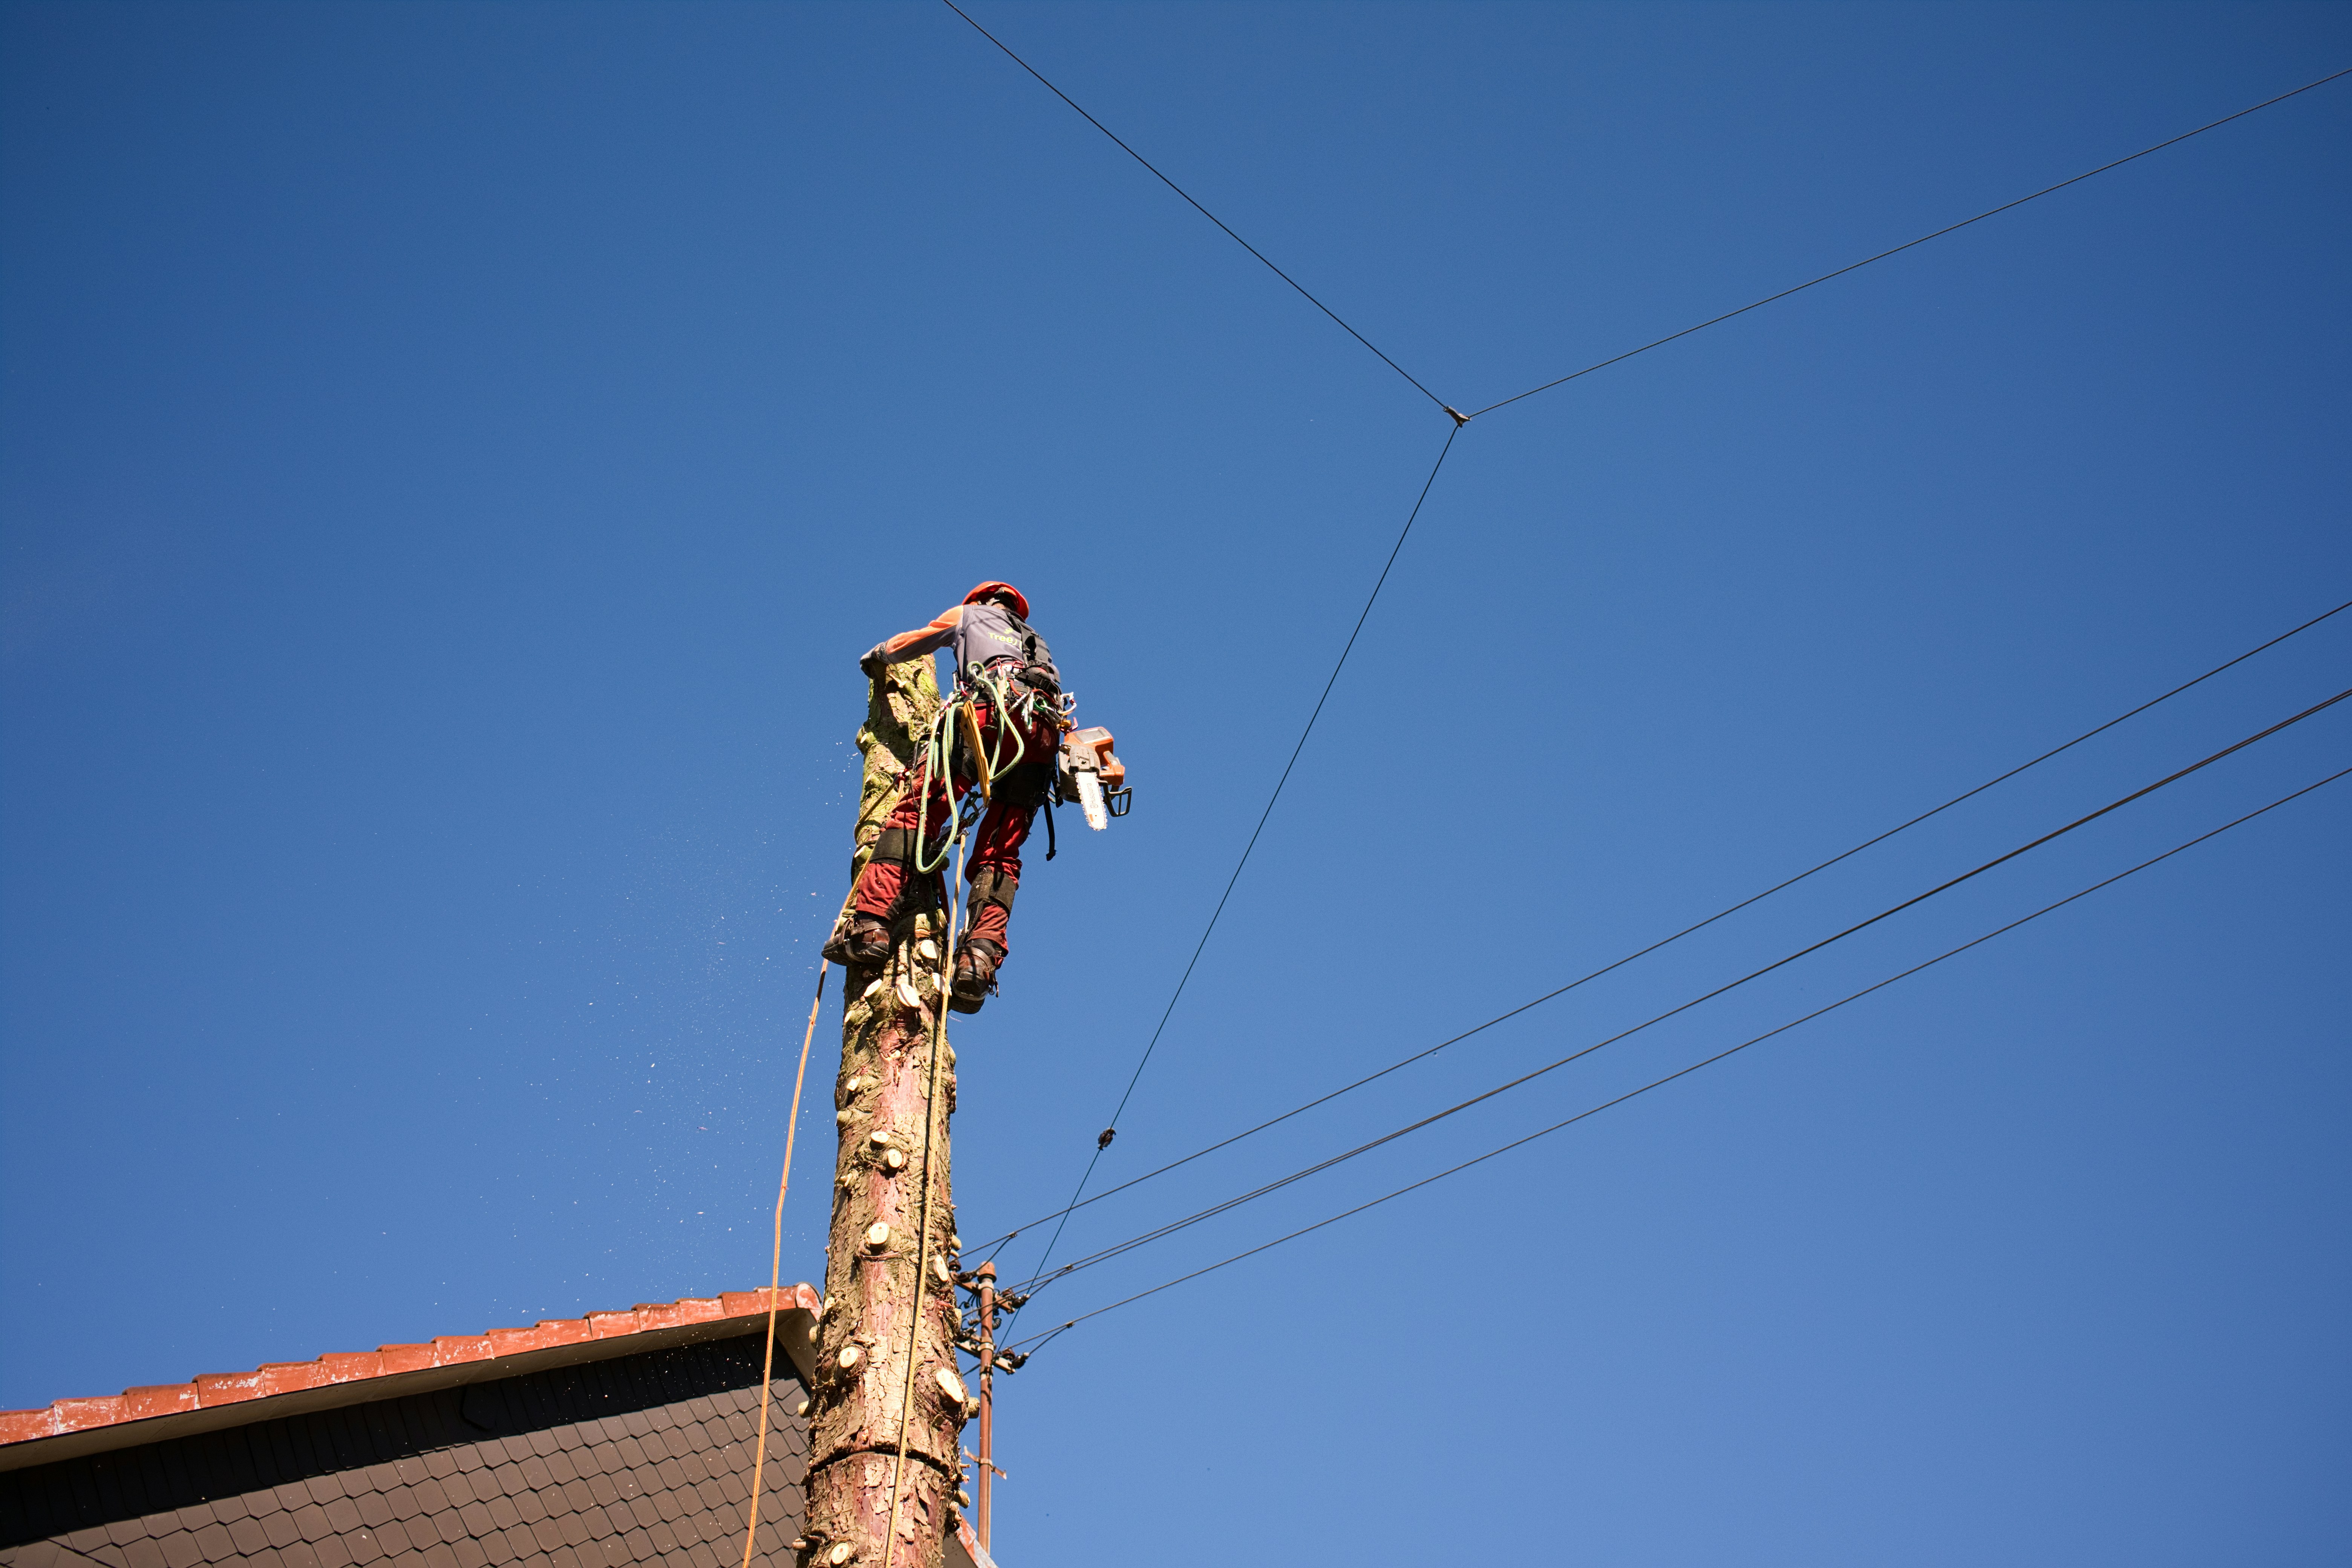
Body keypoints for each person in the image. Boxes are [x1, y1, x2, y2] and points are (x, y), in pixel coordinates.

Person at [825, 581, 1064, 1013]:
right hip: (1041, 735)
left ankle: (871, 924)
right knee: (1000, 853)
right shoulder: (1038, 646)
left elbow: (916, 640)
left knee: (921, 809)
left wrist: (880, 654)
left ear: (980, 599)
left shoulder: (969, 615)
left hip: (990, 714)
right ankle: (977, 962)